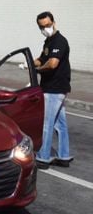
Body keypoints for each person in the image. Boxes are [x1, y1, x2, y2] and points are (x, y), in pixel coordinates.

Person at [34, 11, 72, 169]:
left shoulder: (59, 41)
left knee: (46, 123)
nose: (45, 28)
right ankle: (64, 155)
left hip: (54, 88)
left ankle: (43, 158)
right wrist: (29, 62)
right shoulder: (48, 42)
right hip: (56, 87)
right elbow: (42, 59)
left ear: (54, 23)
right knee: (59, 124)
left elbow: (52, 64)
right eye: (42, 27)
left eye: (48, 25)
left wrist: (39, 70)